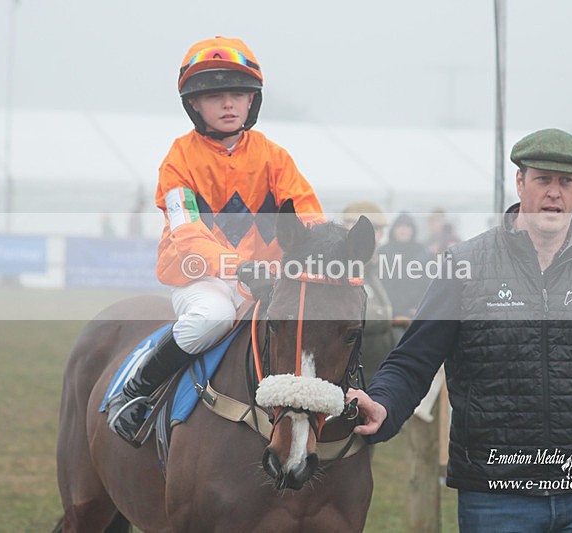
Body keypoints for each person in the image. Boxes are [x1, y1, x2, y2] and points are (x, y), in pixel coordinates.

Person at [347, 128, 572, 532]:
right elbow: (413, 360)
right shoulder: (465, 264)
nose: (554, 193)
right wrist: (384, 404)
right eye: (542, 179)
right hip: (495, 498)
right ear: (520, 182)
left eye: (566, 181)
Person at [106, 36, 323, 446]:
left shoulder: (275, 158)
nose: (228, 104)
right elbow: (187, 233)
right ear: (194, 105)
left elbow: (308, 214)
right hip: (201, 278)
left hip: (267, 279)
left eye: (238, 94)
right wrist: (237, 267)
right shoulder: (178, 160)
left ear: (252, 102)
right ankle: (134, 391)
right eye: (215, 96)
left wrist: (324, 248)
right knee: (214, 316)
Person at [340, 202, 395, 383]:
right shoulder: (343, 269)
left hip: (374, 371)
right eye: (372, 230)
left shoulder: (373, 268)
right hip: (352, 375)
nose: (377, 237)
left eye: (379, 230)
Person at [377, 213, 431, 323]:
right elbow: (379, 285)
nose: (403, 230)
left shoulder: (422, 253)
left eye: (407, 226)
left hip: (415, 314)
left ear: (412, 230)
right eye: (400, 226)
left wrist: (420, 308)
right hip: (388, 315)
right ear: (393, 230)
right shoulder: (383, 253)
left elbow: (429, 285)